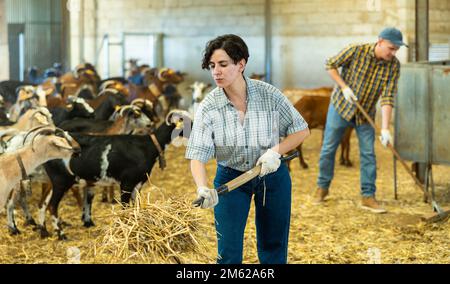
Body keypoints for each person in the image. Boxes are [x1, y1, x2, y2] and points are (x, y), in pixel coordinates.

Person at [185, 34, 310, 264]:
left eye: (223, 64)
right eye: (212, 66)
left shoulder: (269, 94)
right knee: (228, 250)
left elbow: (301, 130)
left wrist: (276, 152)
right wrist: (202, 187)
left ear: (241, 64)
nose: (216, 72)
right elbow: (197, 154)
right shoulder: (209, 106)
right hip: (230, 179)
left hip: (271, 177)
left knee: (273, 244)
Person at [314, 27, 407, 213]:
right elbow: (330, 64)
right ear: (380, 41)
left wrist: (386, 129)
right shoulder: (356, 50)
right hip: (340, 107)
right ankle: (322, 188)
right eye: (391, 48)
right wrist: (344, 87)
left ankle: (368, 196)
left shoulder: (393, 66)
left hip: (365, 114)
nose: (393, 52)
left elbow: (388, 97)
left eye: (396, 49)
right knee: (328, 149)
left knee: (368, 154)